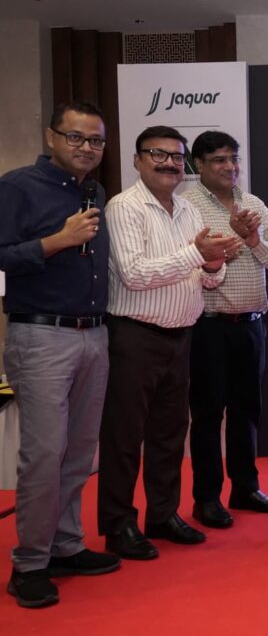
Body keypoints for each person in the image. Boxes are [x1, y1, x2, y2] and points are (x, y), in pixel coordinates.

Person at [99, 126, 240, 560]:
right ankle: (118, 524)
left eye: (177, 157)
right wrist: (198, 255)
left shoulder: (188, 210)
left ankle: (162, 515)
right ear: (137, 160)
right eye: (158, 155)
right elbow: (135, 274)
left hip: (181, 336)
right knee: (125, 437)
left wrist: (213, 263)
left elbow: (208, 279)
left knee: (169, 434)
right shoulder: (124, 207)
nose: (169, 164)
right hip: (135, 337)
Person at [0, 102, 121, 608]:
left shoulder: (96, 192)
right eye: (76, 137)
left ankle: (66, 545)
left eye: (95, 140)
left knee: (79, 451)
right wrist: (56, 241)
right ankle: (30, 562)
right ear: (51, 137)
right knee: (45, 454)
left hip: (94, 334)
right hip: (41, 336)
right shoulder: (17, 187)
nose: (86, 148)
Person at [183, 130, 268, 529]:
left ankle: (245, 487)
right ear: (198, 165)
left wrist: (253, 238)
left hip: (252, 324)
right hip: (208, 326)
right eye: (219, 160)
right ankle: (207, 498)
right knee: (208, 414)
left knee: (247, 412)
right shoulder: (187, 206)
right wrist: (216, 256)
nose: (230, 167)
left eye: (233, 159)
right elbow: (185, 261)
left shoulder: (253, 204)